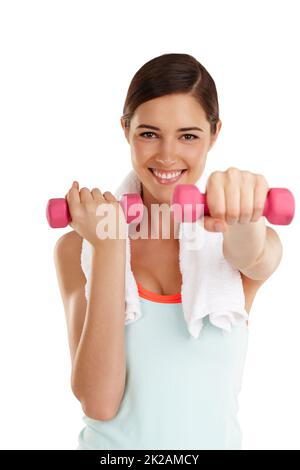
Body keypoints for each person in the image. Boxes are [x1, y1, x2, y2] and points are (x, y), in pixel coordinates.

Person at [53, 53, 283, 450]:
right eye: (149, 133)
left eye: (189, 136)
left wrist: (245, 215)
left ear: (215, 134)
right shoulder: (78, 245)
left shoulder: (234, 240)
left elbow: (254, 254)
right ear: (126, 130)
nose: (167, 155)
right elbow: (99, 401)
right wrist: (109, 245)